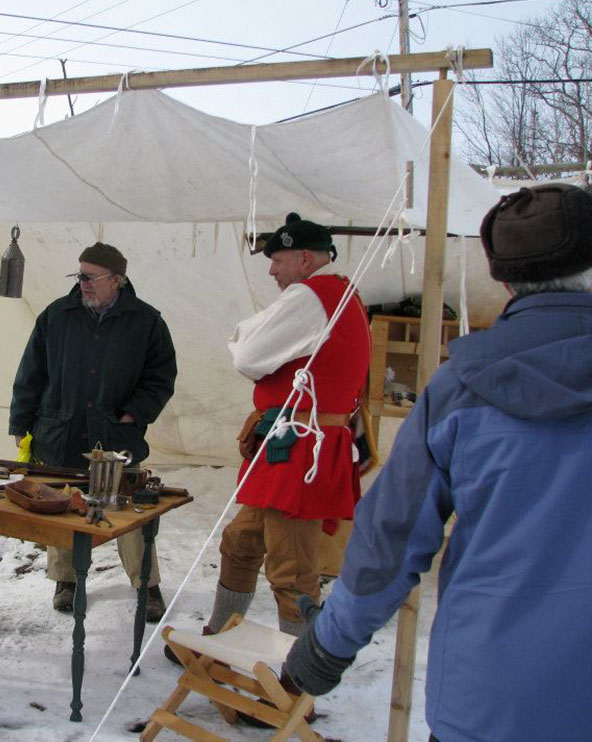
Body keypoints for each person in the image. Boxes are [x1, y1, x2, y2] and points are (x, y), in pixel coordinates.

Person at [284, 184, 592, 742]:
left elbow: (393, 537)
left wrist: (328, 646)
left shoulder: (463, 390)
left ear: (501, 278)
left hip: (495, 697)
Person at [207, 213, 370, 640]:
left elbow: (248, 354)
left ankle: (298, 676)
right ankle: (222, 636)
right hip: (288, 443)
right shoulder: (339, 293)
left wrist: (244, 334)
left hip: (301, 448)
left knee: (292, 567)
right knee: (240, 543)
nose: (272, 271)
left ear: (304, 258)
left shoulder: (311, 295)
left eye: (277, 260)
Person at [9, 242, 177, 620]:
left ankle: (147, 584)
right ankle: (65, 579)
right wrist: (21, 423)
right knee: (59, 505)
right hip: (60, 432)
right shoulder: (56, 315)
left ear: (116, 280)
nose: (81, 283)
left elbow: (161, 377)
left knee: (131, 513)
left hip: (116, 438)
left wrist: (135, 414)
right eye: (79, 275)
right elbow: (30, 374)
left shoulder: (147, 322)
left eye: (89, 276)